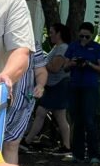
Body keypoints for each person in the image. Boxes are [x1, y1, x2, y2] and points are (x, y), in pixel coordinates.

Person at [2, 0, 48, 166]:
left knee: (12, 144)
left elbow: (41, 71)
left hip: (22, 103)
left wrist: (41, 85)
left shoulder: (33, 45)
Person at [23, 22, 72, 153]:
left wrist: (41, 63)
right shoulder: (57, 47)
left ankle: (27, 141)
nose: (49, 35)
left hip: (58, 86)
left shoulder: (62, 48)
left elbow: (55, 68)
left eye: (51, 33)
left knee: (41, 112)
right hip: (53, 86)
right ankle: (66, 146)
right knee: (58, 116)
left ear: (59, 34)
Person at [64, 22, 100, 166]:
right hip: (75, 86)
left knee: (90, 121)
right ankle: (78, 154)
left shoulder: (97, 48)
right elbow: (64, 67)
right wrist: (73, 63)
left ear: (92, 36)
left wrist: (88, 64)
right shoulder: (73, 47)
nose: (83, 39)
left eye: (86, 36)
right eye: (81, 36)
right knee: (77, 121)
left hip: (90, 88)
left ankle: (94, 155)